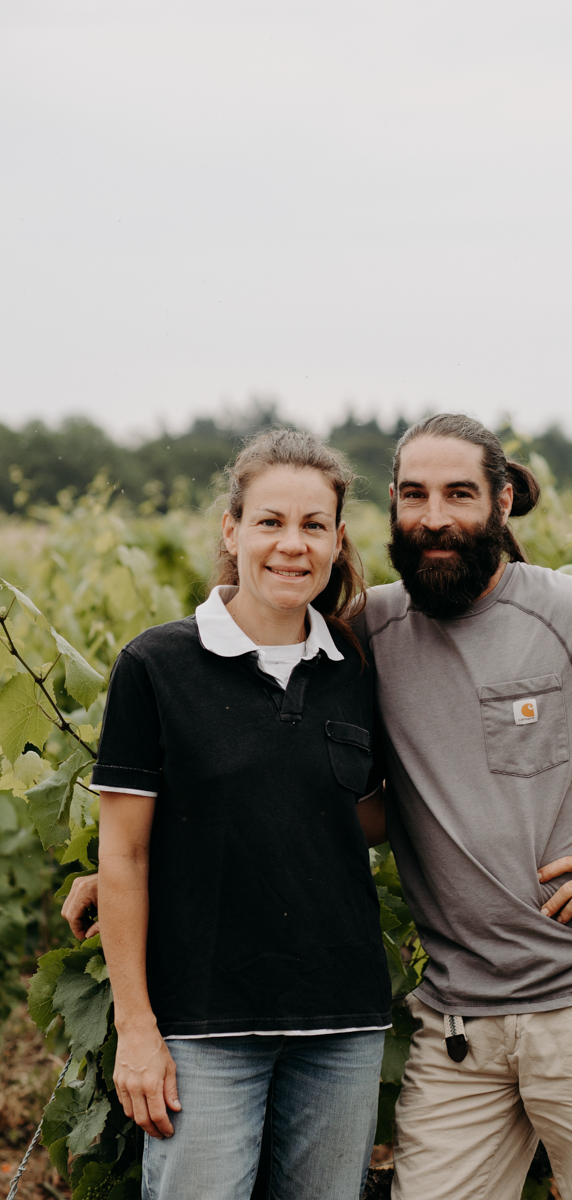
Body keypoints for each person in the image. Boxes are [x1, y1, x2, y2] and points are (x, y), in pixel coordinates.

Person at [67, 414, 572, 1200]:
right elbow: (305, 790)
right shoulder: (369, 634)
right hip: (457, 1020)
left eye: (459, 494)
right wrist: (144, 862)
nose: (435, 517)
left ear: (502, 504)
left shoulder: (568, 616)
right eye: (414, 495)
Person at [71, 429, 392, 1200]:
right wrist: (137, 1031)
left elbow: (366, 816)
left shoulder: (355, 668)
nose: (292, 545)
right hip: (204, 1021)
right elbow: (127, 855)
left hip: (340, 1021)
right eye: (270, 522)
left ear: (338, 539)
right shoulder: (157, 666)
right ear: (232, 530)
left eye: (314, 526)